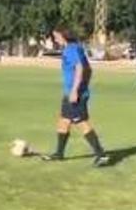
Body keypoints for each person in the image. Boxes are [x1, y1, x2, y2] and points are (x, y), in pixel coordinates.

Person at [42, 27, 110, 168]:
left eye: (56, 36)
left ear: (64, 36)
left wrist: (75, 90)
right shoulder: (74, 48)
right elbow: (89, 69)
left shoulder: (71, 50)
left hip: (75, 93)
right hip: (71, 92)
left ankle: (101, 155)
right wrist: (82, 86)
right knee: (63, 121)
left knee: (81, 122)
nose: (55, 39)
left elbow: (80, 68)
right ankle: (59, 153)